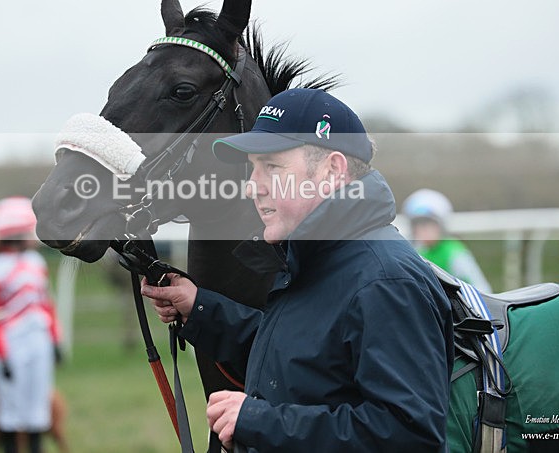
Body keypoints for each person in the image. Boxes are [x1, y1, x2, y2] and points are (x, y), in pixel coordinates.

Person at [142, 88, 454, 452]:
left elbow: (409, 436)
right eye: (253, 168)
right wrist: (199, 308)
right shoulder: (317, 259)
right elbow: (298, 360)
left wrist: (259, 421)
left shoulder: (386, 282)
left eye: (272, 167)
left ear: (332, 170)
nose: (252, 187)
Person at [0, 197, 61, 453]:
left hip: (38, 340)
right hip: (11, 343)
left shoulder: (36, 262)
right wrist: (1, 354)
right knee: (10, 408)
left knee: (38, 406)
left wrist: (54, 339)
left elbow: (46, 303)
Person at [401, 188, 493, 293]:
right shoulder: (414, 251)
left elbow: (482, 288)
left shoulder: (454, 251)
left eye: (429, 224)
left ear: (440, 226)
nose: (424, 230)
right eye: (419, 225)